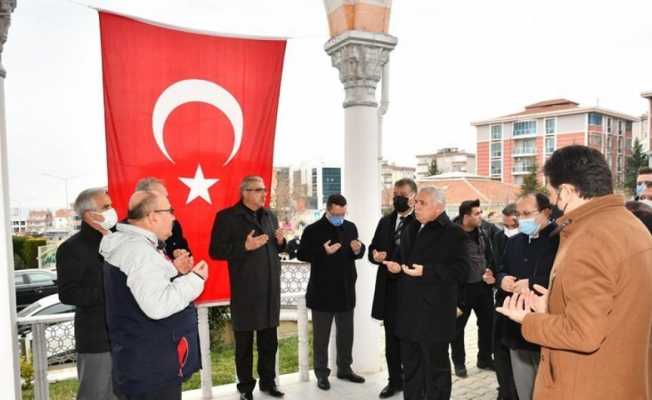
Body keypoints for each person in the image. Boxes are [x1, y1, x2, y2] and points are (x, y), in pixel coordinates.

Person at [497, 145, 652, 400]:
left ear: (567, 191)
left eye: (555, 194)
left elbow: (583, 333)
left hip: (585, 385)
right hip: (621, 379)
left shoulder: (589, 238)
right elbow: (614, 305)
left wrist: (528, 319)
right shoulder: (631, 225)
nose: (556, 203)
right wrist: (554, 305)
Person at [100, 191, 208, 400]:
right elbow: (157, 306)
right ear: (153, 216)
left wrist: (174, 272)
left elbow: (147, 287)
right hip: (152, 367)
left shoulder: (131, 245)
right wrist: (196, 279)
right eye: (170, 211)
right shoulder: (139, 251)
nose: (174, 217)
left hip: (141, 362)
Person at [383, 187, 469, 400]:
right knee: (411, 369)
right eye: (416, 202)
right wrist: (396, 267)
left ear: (438, 207)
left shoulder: (454, 233)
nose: (416, 206)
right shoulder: (411, 228)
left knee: (436, 371)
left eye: (422, 203)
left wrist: (427, 271)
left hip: (435, 315)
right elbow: (403, 259)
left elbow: (462, 271)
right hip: (408, 312)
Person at [209, 176, 286, 400]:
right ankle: (245, 388)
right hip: (245, 291)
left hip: (270, 290)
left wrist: (281, 241)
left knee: (269, 342)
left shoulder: (270, 215)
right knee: (244, 345)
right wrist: (244, 245)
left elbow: (275, 249)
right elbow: (216, 250)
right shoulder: (227, 217)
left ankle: (268, 383)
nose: (264, 194)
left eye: (264, 190)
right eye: (259, 190)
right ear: (245, 192)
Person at [297, 194, 366, 390]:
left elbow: (358, 253)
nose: (340, 217)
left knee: (346, 334)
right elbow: (301, 254)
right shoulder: (312, 230)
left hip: (346, 290)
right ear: (327, 210)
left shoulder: (350, 227)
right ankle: (321, 374)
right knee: (321, 338)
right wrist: (323, 252)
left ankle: (345, 369)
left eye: (343, 214)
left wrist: (358, 249)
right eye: (336, 214)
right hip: (322, 293)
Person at [56, 188, 119, 400]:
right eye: (107, 207)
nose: (113, 211)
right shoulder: (71, 248)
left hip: (128, 335)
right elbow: (68, 293)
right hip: (97, 340)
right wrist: (110, 291)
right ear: (90, 215)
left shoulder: (120, 240)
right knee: (96, 394)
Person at [496, 193, 558, 400]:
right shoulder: (514, 242)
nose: (521, 219)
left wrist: (531, 284)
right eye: (518, 214)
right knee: (524, 389)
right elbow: (501, 268)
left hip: (548, 330)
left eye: (527, 213)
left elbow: (564, 279)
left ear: (546, 212)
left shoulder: (561, 240)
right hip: (516, 330)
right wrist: (502, 279)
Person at [368, 178, 417, 398]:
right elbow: (373, 248)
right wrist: (374, 255)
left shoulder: (420, 223)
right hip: (388, 289)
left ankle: (412, 382)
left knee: (410, 340)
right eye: (395, 194)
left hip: (410, 289)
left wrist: (403, 266)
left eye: (403, 195)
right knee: (391, 341)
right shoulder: (386, 221)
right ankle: (394, 381)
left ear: (413, 196)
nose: (398, 198)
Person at [451, 199, 495, 377]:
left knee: (487, 324)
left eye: (480, 212)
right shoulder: (450, 235)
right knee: (457, 327)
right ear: (466, 216)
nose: (480, 216)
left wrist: (491, 270)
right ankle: (459, 363)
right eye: (477, 213)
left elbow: (489, 255)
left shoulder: (483, 232)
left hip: (483, 288)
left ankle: (484, 358)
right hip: (461, 291)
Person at [490, 203, 519, 400]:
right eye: (505, 225)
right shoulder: (498, 237)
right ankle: (504, 389)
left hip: (522, 304)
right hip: (501, 302)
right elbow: (495, 265)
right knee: (499, 348)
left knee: (517, 353)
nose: (508, 230)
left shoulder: (530, 239)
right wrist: (494, 277)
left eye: (512, 225)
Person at [134, 177, 190, 257]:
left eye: (167, 198)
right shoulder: (124, 232)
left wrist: (177, 253)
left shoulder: (173, 225)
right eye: (163, 198)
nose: (167, 202)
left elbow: (185, 249)